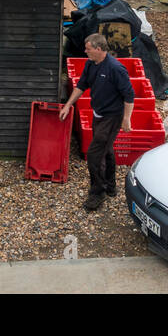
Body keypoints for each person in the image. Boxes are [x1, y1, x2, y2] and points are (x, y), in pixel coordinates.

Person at [59, 33, 134, 211]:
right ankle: (110, 185)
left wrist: (126, 119)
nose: (85, 52)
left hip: (112, 117)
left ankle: (97, 192)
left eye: (88, 49)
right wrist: (68, 105)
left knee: (93, 154)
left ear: (99, 49)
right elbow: (81, 86)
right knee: (106, 150)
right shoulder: (91, 64)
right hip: (98, 114)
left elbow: (129, 95)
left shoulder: (116, 69)